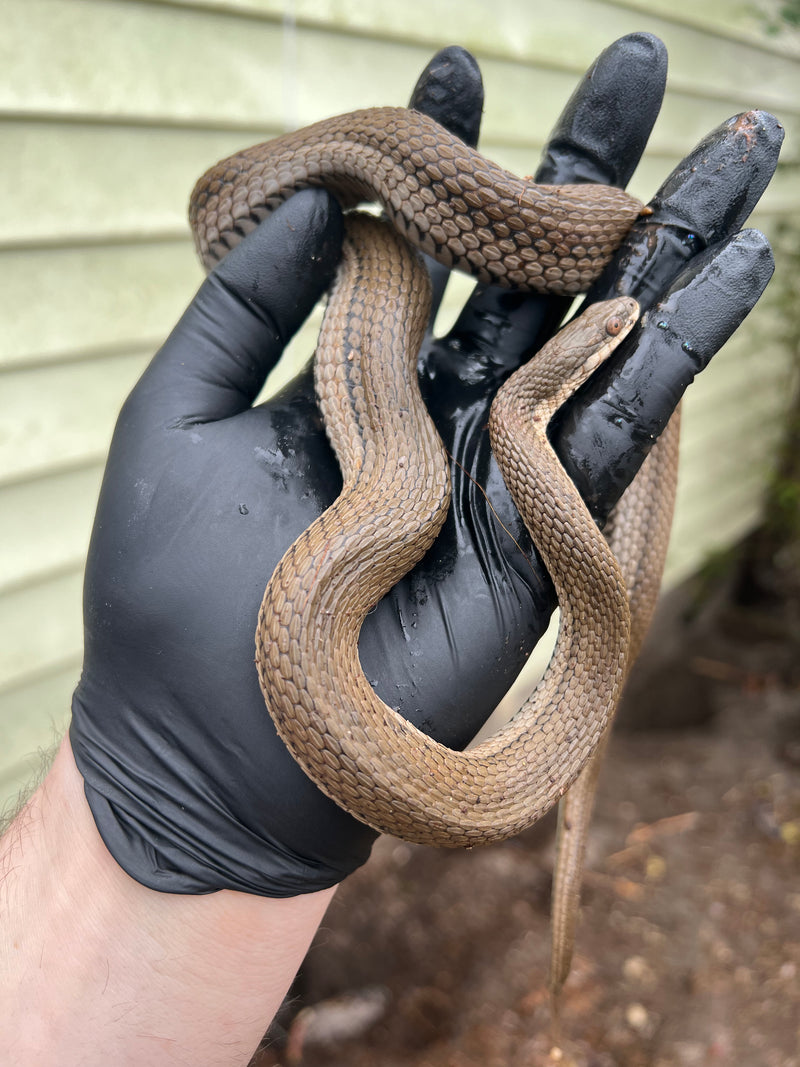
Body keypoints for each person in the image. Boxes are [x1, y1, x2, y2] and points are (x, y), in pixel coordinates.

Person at [0, 37, 780, 1066]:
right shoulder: (434, 378)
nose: (610, 331)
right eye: (600, 334)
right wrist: (148, 781)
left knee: (573, 386)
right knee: (394, 314)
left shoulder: (499, 423)